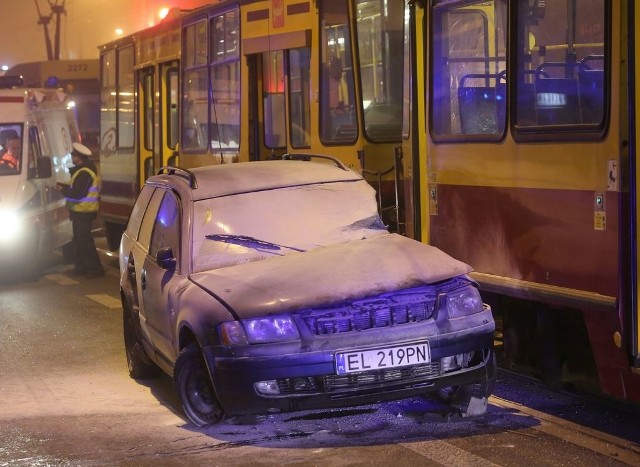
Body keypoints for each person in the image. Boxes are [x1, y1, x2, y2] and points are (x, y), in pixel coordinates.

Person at [56, 142, 104, 278]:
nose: (71, 157)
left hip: (84, 212)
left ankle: (95, 269)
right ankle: (81, 267)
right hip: (79, 212)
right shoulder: (81, 171)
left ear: (78, 157)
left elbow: (78, 193)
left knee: (85, 240)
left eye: (73, 155)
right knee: (78, 240)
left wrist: (63, 190)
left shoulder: (84, 173)